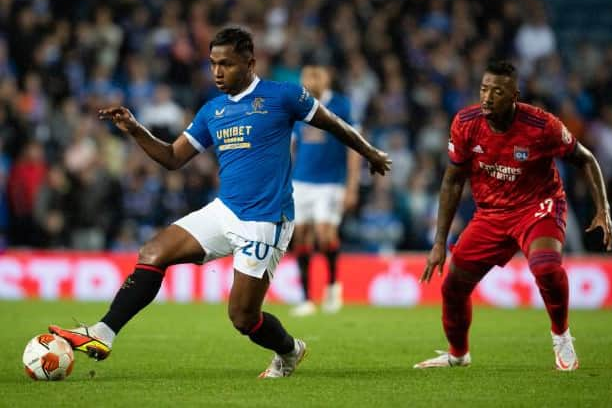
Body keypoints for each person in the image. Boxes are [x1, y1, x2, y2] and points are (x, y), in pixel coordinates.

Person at [48, 27, 391, 379]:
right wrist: (136, 129)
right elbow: (171, 158)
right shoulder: (213, 111)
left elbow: (334, 123)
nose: (216, 72)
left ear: (250, 62)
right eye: (212, 64)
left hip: (266, 219)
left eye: (225, 64)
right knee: (153, 251)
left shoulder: (284, 96)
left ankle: (289, 350)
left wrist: (371, 153)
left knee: (243, 318)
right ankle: (103, 333)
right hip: (224, 210)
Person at [414, 61, 612, 371]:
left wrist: (603, 209)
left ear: (514, 96)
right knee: (453, 288)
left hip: (538, 205)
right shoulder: (465, 123)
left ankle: (561, 337)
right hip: (492, 214)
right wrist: (439, 241)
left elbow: (586, 160)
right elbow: (452, 180)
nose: (488, 97)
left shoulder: (541, 126)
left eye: (497, 91)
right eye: (483, 89)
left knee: (546, 267)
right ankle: (457, 355)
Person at [290, 65, 360, 316]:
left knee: (324, 234)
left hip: (331, 182)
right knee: (300, 236)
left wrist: (352, 186)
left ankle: (332, 286)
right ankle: (307, 298)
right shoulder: (300, 106)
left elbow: (354, 146)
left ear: (324, 84)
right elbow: (292, 146)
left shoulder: (341, 106)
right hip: (301, 181)